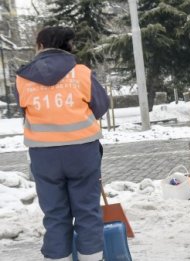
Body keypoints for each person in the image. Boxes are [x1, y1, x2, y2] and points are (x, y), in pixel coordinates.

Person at [14, 26, 109, 261]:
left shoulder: (22, 77)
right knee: (87, 211)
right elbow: (101, 105)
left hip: (43, 155)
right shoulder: (81, 73)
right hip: (82, 151)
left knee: (55, 214)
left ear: (40, 45)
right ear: (70, 46)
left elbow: (24, 111)